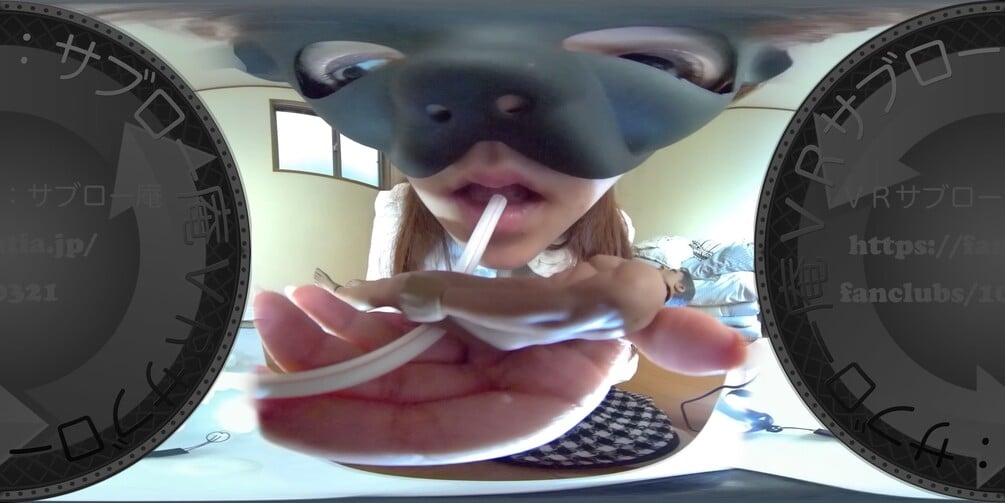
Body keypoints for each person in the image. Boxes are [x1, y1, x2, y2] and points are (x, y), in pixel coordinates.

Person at [254, 140, 748, 467]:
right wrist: (368, 299)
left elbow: (614, 353)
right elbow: (392, 309)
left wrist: (599, 346)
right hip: (437, 378)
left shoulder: (612, 236)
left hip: (554, 399)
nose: (499, 145)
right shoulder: (402, 208)